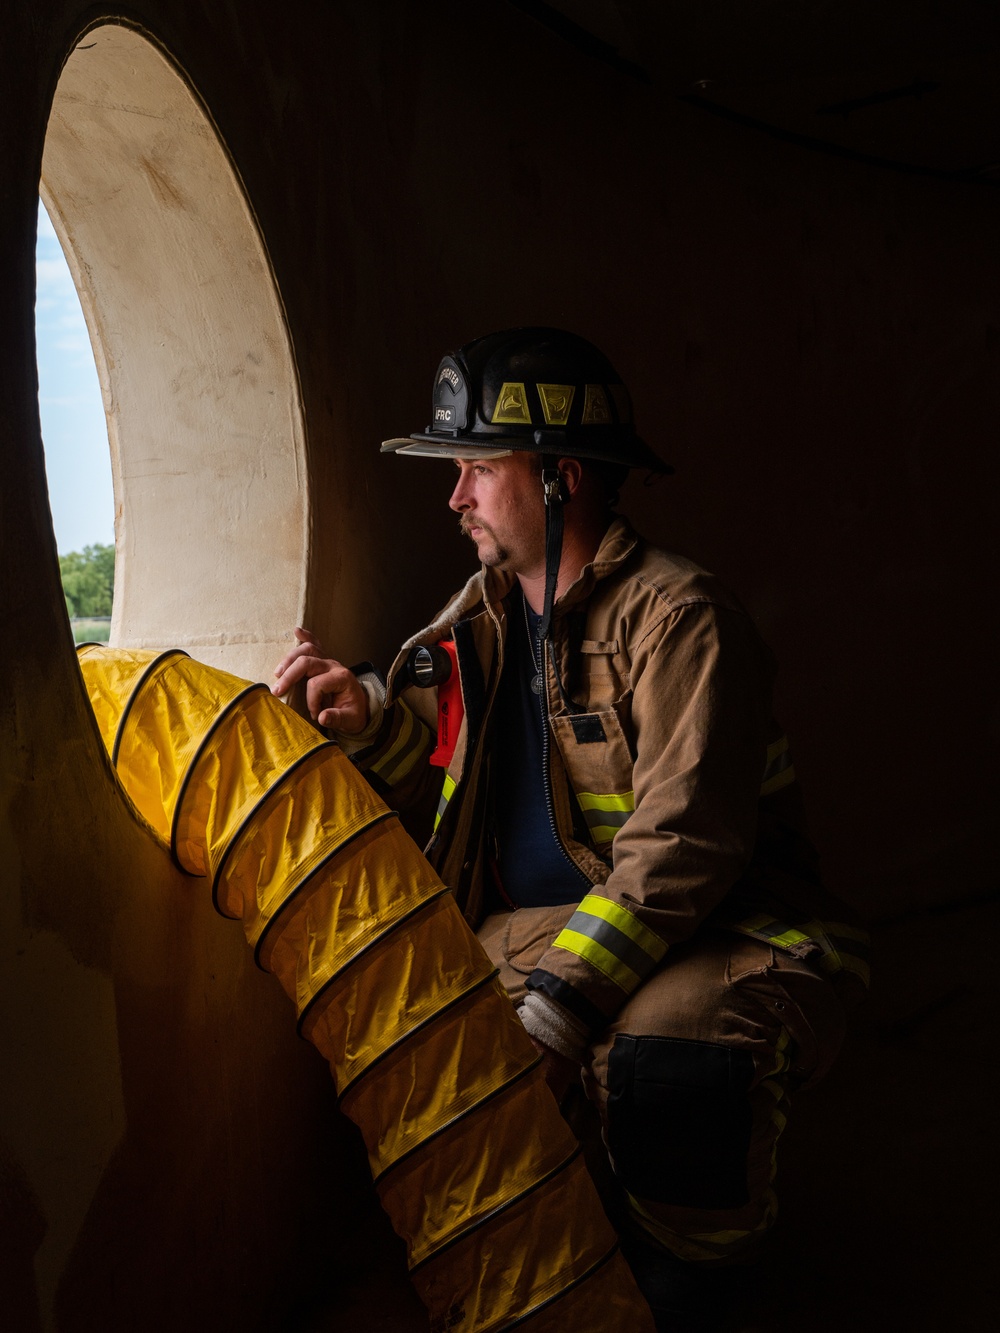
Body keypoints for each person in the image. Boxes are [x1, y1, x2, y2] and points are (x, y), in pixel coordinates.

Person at [273, 328, 869, 1331]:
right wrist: (364, 720)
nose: (453, 498)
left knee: (669, 1047)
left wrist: (555, 1012)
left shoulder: (681, 619)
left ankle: (696, 1280)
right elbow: (434, 778)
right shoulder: (479, 618)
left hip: (731, 937)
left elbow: (684, 848)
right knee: (421, 1029)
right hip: (554, 929)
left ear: (559, 479)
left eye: (475, 470)